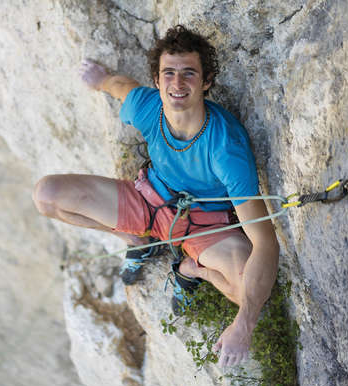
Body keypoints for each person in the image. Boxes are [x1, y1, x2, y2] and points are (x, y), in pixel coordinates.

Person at [32, 25, 279, 368]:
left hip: (203, 227)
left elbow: (265, 242)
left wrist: (244, 326)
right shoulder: (150, 107)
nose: (177, 84)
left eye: (189, 74)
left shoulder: (225, 147)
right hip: (147, 201)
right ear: (158, 79)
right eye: (169, 74)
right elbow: (123, 88)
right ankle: (136, 238)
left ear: (206, 82)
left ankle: (193, 270)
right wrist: (100, 79)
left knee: (248, 293)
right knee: (46, 195)